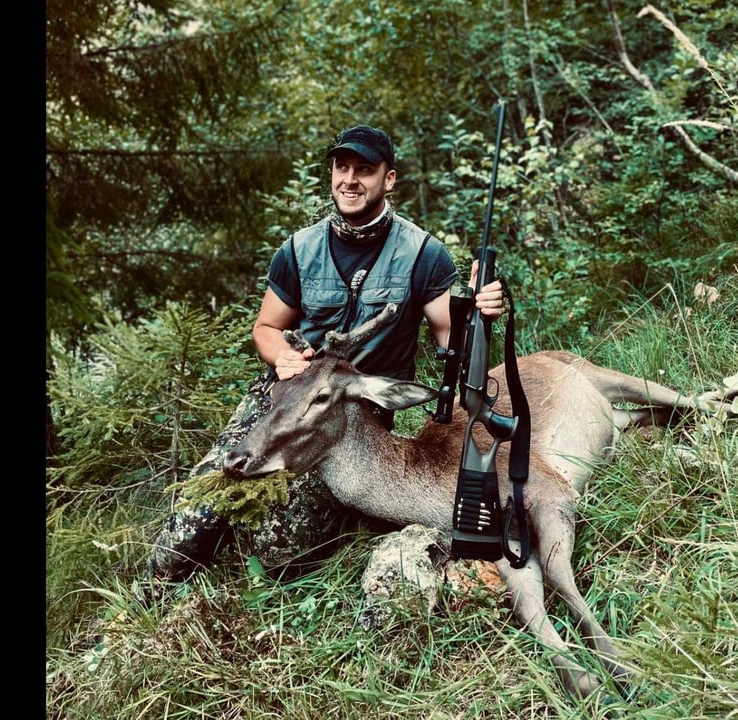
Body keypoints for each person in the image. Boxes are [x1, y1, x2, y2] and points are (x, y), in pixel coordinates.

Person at [144, 124, 505, 585]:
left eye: (365, 170)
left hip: (353, 415)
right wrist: (281, 358)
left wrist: (477, 310)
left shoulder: (423, 254)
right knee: (189, 523)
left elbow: (450, 339)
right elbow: (267, 327)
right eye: (342, 167)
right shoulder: (300, 249)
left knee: (281, 553)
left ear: (388, 179)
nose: (350, 180)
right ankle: (146, 599)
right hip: (284, 396)